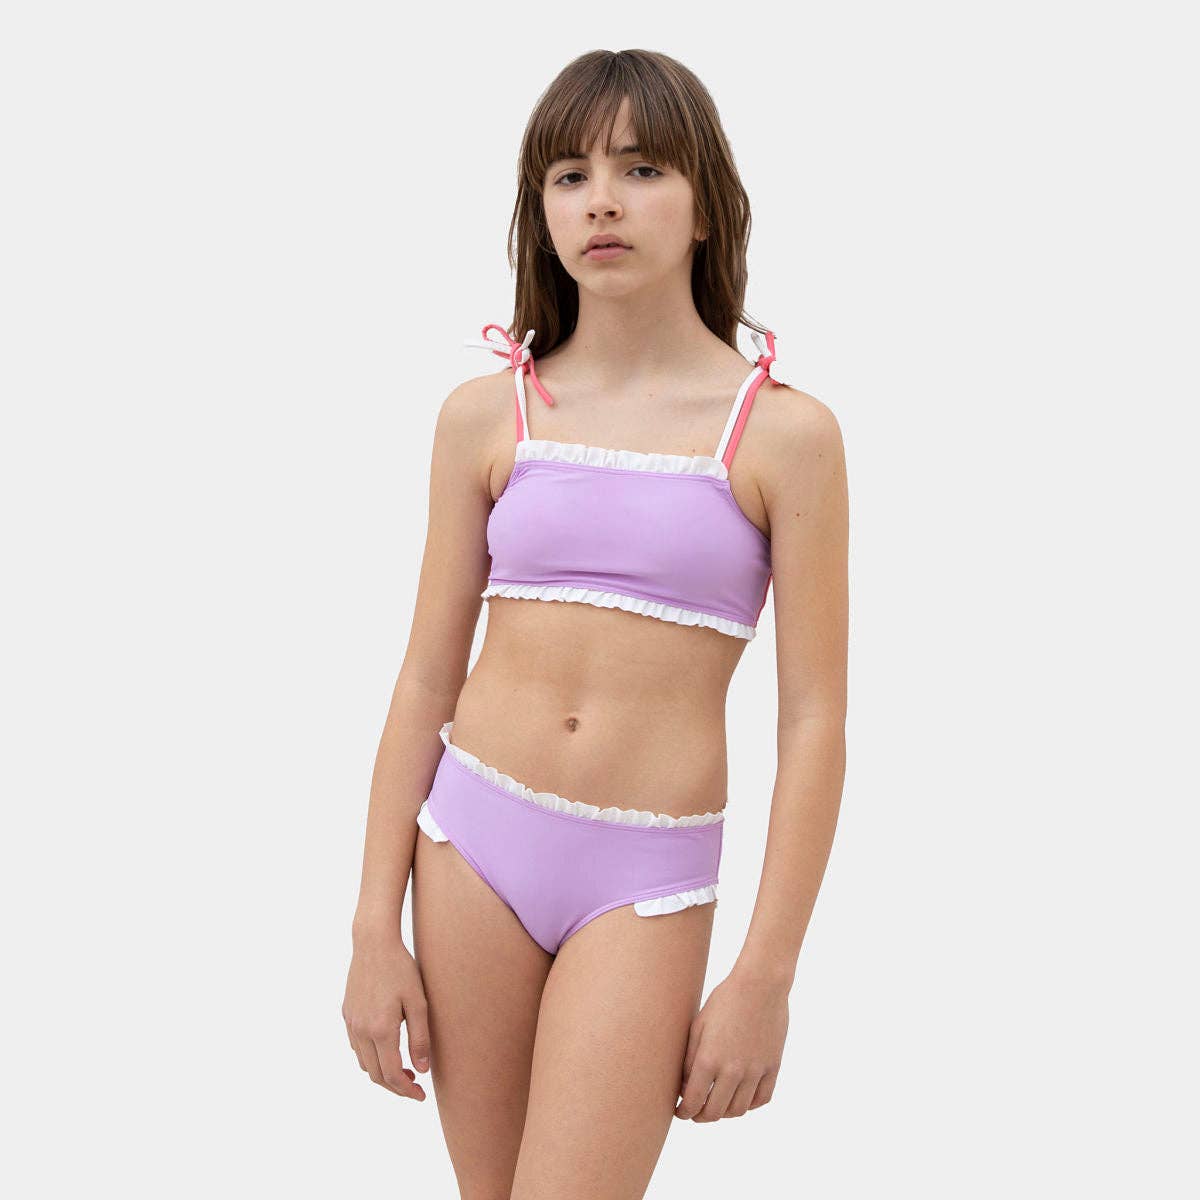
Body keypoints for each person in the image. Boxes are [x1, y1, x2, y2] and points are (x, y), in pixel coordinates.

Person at [343, 48, 849, 1198]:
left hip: (645, 878)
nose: (602, 200)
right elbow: (425, 680)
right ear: (542, 211)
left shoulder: (785, 437)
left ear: (708, 207)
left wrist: (766, 975)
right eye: (569, 175)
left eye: (642, 168)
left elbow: (815, 720)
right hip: (470, 849)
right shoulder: (488, 417)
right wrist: (373, 924)